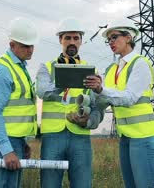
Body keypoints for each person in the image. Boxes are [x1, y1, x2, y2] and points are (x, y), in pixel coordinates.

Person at [83, 22, 154, 188]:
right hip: (126, 138)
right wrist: (87, 107)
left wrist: (101, 88)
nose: (111, 42)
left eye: (114, 37)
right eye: (109, 39)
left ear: (128, 38)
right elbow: (104, 99)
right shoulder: (112, 69)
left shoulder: (140, 63)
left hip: (143, 136)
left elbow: (129, 98)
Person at [36, 18, 104, 188]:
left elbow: (98, 106)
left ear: (81, 41)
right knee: (50, 184)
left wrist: (88, 121)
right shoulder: (47, 67)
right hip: (53, 136)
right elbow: (42, 91)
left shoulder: (92, 71)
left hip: (80, 135)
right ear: (60, 40)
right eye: (67, 38)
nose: (71, 42)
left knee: (82, 184)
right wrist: (64, 81)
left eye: (76, 38)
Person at [0, 17, 39, 188]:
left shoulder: (19, 67)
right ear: (12, 45)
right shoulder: (3, 71)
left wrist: (22, 143)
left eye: (32, 45)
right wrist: (7, 150)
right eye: (25, 46)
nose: (30, 50)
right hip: (4, 139)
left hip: (14, 139)